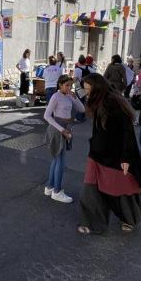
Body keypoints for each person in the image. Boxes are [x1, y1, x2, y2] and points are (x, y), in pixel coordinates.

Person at [77, 74, 141, 235]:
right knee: (89, 190)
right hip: (96, 154)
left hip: (115, 156)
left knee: (119, 192)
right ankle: (93, 223)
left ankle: (129, 219)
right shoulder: (98, 100)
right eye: (86, 90)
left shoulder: (114, 103)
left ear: (98, 88)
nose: (87, 94)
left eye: (89, 90)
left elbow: (127, 131)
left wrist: (125, 158)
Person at [44, 74, 84, 203]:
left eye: (70, 85)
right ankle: (57, 191)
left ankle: (49, 187)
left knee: (56, 160)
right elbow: (47, 116)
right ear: (60, 85)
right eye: (67, 85)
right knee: (60, 162)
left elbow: (82, 109)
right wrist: (62, 130)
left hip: (64, 128)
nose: (69, 88)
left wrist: (75, 97)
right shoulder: (56, 96)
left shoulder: (69, 96)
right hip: (57, 129)